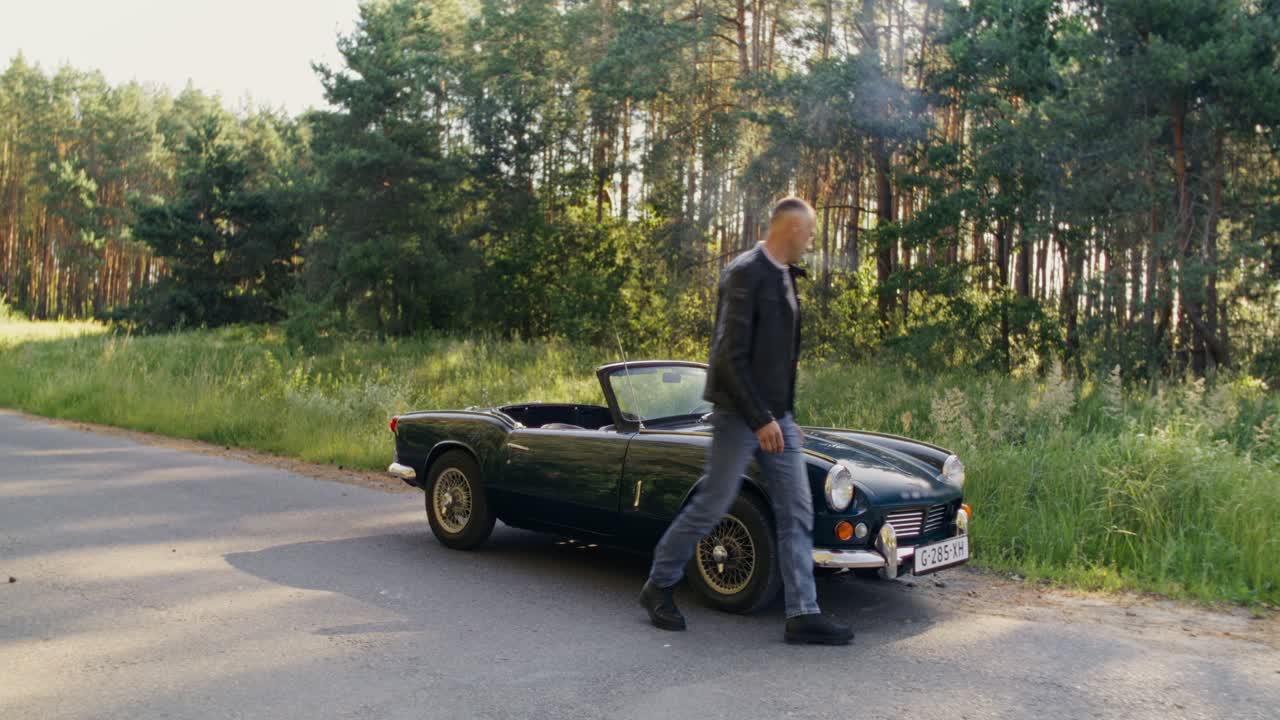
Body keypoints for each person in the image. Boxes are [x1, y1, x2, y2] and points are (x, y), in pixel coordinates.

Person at [638, 197, 854, 645]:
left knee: (796, 509)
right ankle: (659, 583)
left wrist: (785, 415)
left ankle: (803, 613)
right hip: (739, 414)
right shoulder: (744, 273)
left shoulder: (785, 275)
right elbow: (728, 358)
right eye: (808, 232)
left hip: (775, 417)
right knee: (714, 502)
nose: (811, 241)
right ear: (790, 229)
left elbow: (780, 360)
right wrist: (760, 419)